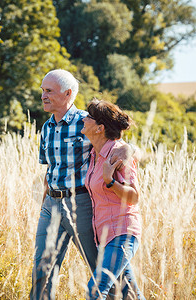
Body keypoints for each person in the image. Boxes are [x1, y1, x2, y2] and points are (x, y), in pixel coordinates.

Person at [31, 69, 134, 299]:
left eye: (48, 91)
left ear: (67, 94)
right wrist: (44, 204)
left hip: (82, 205)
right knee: (42, 269)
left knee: (100, 267)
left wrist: (127, 153)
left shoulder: (86, 123)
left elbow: (120, 144)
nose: (43, 96)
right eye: (42, 91)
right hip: (51, 204)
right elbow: (50, 169)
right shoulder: (46, 128)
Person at [81, 99, 145, 300]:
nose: (84, 118)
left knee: (95, 291)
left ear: (100, 128)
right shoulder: (92, 152)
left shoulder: (118, 154)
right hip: (104, 237)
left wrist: (110, 181)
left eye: (89, 116)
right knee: (130, 295)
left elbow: (134, 197)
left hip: (122, 233)